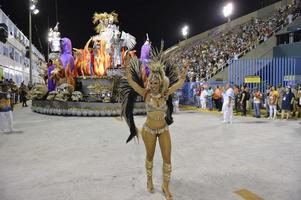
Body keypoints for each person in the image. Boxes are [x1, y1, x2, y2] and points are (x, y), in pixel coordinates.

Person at [122, 53, 188, 200]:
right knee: (150, 157)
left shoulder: (165, 94)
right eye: (151, 83)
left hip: (163, 129)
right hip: (149, 130)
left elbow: (180, 83)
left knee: (167, 160)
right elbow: (132, 83)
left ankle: (165, 186)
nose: (152, 85)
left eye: (155, 83)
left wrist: (183, 74)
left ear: (160, 83)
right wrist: (127, 69)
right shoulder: (145, 94)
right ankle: (149, 180)